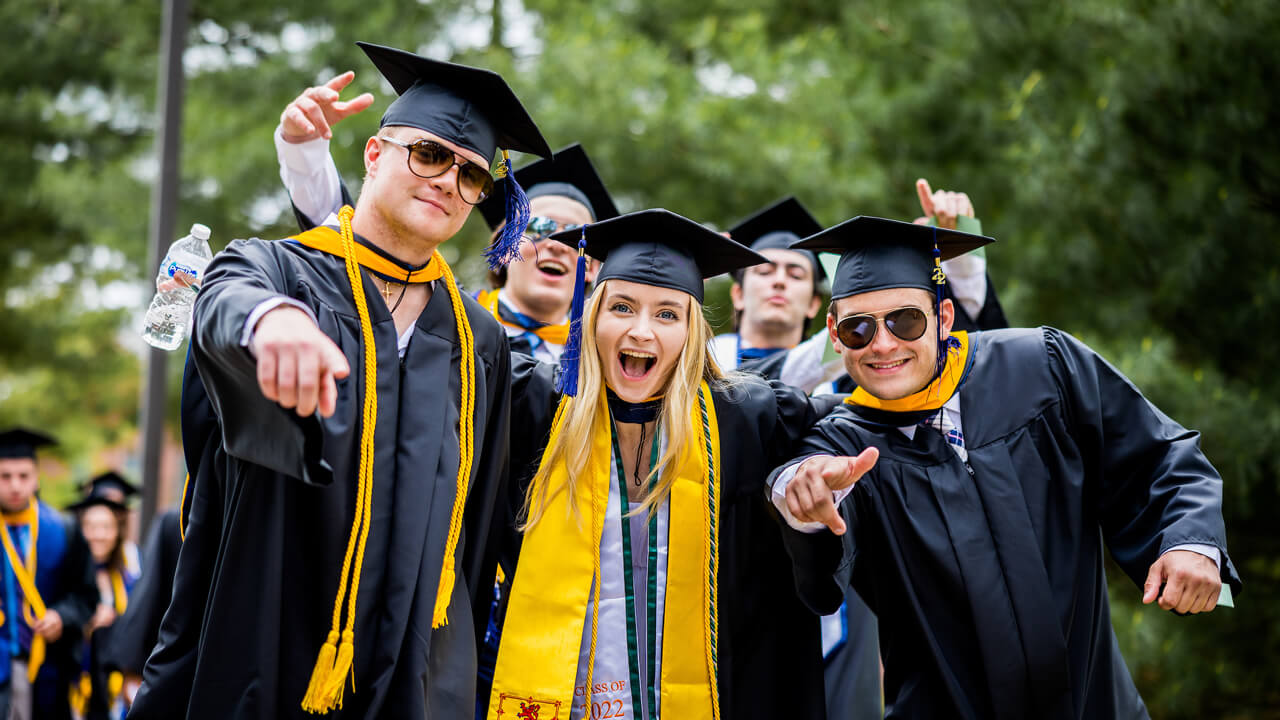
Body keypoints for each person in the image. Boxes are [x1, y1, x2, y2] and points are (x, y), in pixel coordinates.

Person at [129, 41, 552, 720]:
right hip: (266, 650)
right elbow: (225, 298)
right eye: (431, 154)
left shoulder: (481, 341)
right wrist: (274, 323)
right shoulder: (280, 270)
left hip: (414, 674)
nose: (449, 181)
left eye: (472, 175)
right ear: (374, 154)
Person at [769, 216, 1241, 719]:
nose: (883, 344)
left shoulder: (1041, 367)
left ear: (945, 317)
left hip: (1096, 703)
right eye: (857, 328)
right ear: (834, 339)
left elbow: (1158, 453)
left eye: (906, 320)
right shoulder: (841, 446)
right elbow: (819, 558)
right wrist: (802, 505)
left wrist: (1190, 540)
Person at [487, 209, 867, 720]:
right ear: (590, 315)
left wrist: (800, 473)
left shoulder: (744, 416)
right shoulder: (534, 406)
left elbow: (847, 423)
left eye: (667, 313)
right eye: (621, 307)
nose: (642, 332)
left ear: (693, 330)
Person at [275, 74, 616, 362]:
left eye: (575, 236)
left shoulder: (604, 360)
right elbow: (355, 247)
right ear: (505, 242)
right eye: (539, 227)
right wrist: (304, 153)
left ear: (593, 267)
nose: (557, 244)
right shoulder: (449, 316)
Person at [0, 429, 97, 720]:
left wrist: (62, 615)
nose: (15, 486)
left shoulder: (64, 529)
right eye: (5, 476)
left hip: (48, 668)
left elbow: (87, 594)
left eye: (23, 475)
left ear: (37, 478)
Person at [65, 474, 141, 720]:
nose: (99, 535)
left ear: (117, 532)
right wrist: (85, 619)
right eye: (92, 527)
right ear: (81, 529)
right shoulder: (66, 574)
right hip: (73, 681)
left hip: (113, 685)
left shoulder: (128, 578)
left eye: (107, 527)